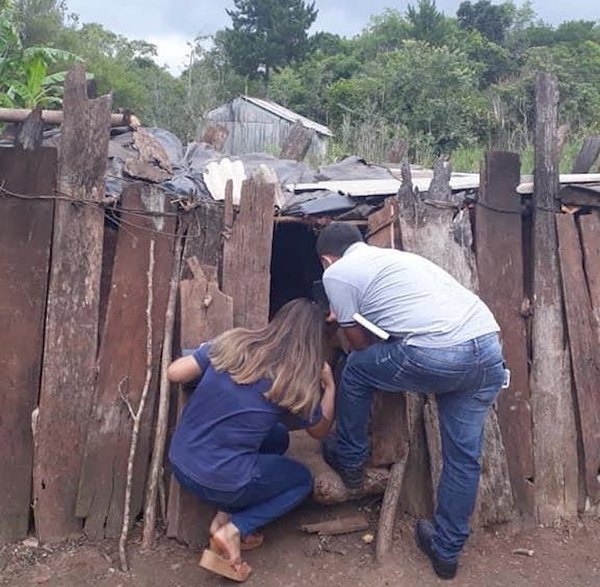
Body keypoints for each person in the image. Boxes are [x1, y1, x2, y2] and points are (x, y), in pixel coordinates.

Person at [316, 222, 505, 581]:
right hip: (486, 347)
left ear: (327, 260)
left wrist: (342, 320)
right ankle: (446, 553)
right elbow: (403, 317)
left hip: (439, 352)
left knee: (356, 371)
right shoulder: (396, 260)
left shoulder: (336, 273)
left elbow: (359, 346)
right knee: (464, 458)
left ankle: (350, 461)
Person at [167, 298, 336, 582]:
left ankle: (223, 514)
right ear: (316, 342)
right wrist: (329, 386)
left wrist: (207, 353)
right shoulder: (295, 380)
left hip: (181, 462)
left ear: (276, 319)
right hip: (221, 479)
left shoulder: (233, 344)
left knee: (278, 438)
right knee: (301, 481)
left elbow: (174, 373)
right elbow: (319, 431)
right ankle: (234, 529)